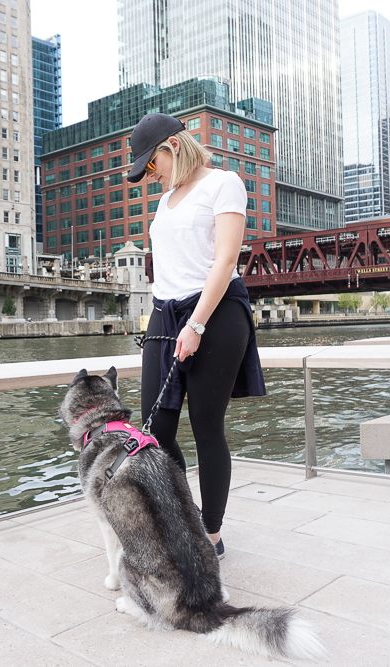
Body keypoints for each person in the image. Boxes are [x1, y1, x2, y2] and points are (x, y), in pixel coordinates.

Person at [127, 113, 266, 559]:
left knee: (207, 428)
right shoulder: (165, 201)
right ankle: (183, 515)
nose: (153, 174)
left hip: (217, 312)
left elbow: (225, 260)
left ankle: (209, 535)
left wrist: (198, 323)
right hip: (165, 317)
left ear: (173, 146)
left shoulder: (224, 183)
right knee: (156, 431)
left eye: (153, 164)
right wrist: (166, 322)